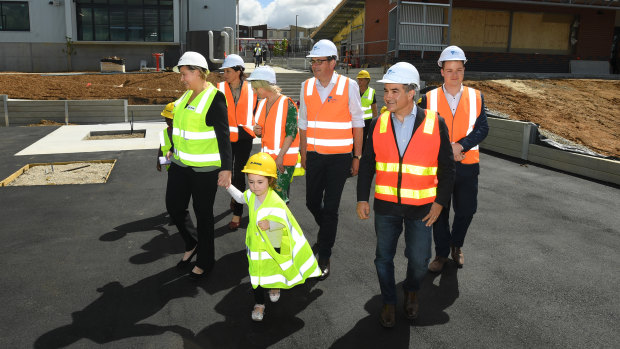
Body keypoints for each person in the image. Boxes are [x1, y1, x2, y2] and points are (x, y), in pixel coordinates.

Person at [356, 62, 455, 327]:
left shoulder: (436, 123)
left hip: (422, 207)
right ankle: (389, 301)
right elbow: (367, 163)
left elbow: (447, 167)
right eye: (386, 90)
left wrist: (440, 203)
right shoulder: (378, 123)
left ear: (412, 93)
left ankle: (411, 291)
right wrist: (362, 198)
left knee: (420, 260)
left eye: (395, 91)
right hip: (386, 206)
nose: (387, 96)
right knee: (383, 258)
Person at [418, 45, 489, 272]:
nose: (454, 75)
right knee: (439, 213)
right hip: (439, 167)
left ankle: (456, 245)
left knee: (467, 210)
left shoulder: (476, 96)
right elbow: (423, 131)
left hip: (468, 164)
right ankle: (440, 254)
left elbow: (482, 128)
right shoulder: (429, 99)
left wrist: (461, 145)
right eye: (449, 70)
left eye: (458, 69)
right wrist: (448, 149)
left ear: (464, 70)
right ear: (441, 71)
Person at [226, 152, 321, 321]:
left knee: (274, 271)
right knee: (256, 276)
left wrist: (271, 224)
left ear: (270, 180)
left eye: (260, 182)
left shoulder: (276, 202)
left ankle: (275, 287)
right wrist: (228, 186)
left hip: (272, 249)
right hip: (255, 248)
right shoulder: (251, 195)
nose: (255, 186)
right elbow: (241, 198)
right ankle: (259, 304)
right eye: (251, 181)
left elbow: (287, 225)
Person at [298, 39, 365, 280]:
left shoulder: (349, 86)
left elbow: (358, 122)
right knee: (311, 202)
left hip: (339, 158)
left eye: (319, 61)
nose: (314, 65)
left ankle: (324, 254)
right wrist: (303, 153)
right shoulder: (306, 86)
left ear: (332, 62)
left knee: (332, 208)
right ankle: (326, 231)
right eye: (312, 61)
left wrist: (357, 156)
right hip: (314, 156)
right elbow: (303, 123)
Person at [165, 51, 232, 280]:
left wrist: (226, 168)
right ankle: (192, 242)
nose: (182, 79)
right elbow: (179, 128)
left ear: (198, 72)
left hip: (205, 170)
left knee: (203, 215)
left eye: (184, 74)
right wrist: (172, 147)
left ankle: (205, 260)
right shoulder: (184, 98)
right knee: (174, 207)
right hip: (180, 165)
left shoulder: (214, 98)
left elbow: (224, 136)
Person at [217, 54, 258, 231]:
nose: (224, 74)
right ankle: (234, 196)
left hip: (244, 138)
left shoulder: (252, 89)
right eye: (224, 71)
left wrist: (258, 125)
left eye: (228, 71)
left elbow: (258, 110)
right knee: (227, 172)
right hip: (225, 138)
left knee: (240, 174)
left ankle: (237, 214)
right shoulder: (218, 88)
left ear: (239, 71)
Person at [247, 66, 299, 203]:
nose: (254, 91)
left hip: (283, 160)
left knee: (278, 199)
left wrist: (280, 157)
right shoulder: (262, 103)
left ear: (265, 86)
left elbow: (291, 133)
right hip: (267, 161)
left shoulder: (287, 104)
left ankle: (281, 224)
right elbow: (262, 133)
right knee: (268, 198)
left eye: (256, 87)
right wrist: (257, 131)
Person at [357, 70, 377, 151]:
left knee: (364, 140)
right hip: (356, 120)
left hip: (367, 121)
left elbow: (374, 108)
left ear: (367, 81)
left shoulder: (371, 92)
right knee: (355, 139)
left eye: (361, 80)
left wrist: (375, 122)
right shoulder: (354, 90)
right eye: (358, 79)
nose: (359, 81)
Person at [156, 102, 174, 172]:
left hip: (181, 168)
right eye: (166, 119)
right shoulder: (164, 133)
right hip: (169, 168)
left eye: (170, 119)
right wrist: (158, 161)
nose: (168, 121)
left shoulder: (182, 132)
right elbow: (161, 148)